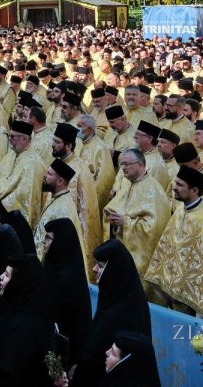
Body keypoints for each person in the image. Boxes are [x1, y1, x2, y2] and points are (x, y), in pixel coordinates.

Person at [145, 165, 203, 325]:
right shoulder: (180, 211)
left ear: (194, 190)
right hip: (174, 289)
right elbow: (168, 246)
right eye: (175, 182)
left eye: (180, 184)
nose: (174, 187)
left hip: (196, 294)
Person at [0, 254, 54, 387]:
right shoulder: (20, 309)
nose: (1, 276)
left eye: (7, 275)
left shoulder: (23, 329)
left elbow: (7, 376)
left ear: (19, 283)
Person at [74, 240, 148, 387]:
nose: (94, 269)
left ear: (114, 270)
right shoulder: (112, 295)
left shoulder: (126, 311)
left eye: (101, 265)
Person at [101, 148, 171, 276]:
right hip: (121, 247)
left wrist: (126, 222)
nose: (123, 168)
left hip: (138, 256)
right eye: (122, 164)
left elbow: (155, 228)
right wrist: (112, 219)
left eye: (127, 164)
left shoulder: (153, 189)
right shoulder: (130, 184)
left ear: (140, 164)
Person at [41, 218, 91, 371]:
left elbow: (74, 325)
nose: (43, 241)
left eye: (48, 238)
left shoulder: (69, 279)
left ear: (60, 242)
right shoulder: (52, 265)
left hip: (64, 354)